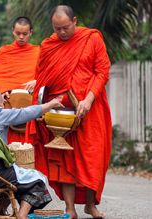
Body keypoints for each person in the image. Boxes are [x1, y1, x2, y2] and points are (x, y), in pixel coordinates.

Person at [28, 5, 111, 219]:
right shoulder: (49, 45)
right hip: (59, 113)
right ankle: (70, 209)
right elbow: (43, 77)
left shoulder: (92, 38)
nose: (62, 33)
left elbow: (102, 71)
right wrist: (41, 99)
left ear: (74, 21)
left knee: (93, 156)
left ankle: (90, 204)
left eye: (65, 27)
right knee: (63, 158)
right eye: (57, 29)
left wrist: (89, 99)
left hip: (90, 109)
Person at [0, 88, 63, 219]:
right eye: (2, 103)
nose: (4, 106)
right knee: (36, 180)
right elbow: (25, 113)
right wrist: (51, 104)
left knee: (11, 176)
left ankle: (0, 212)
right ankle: (22, 215)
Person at [0, 16, 40, 144]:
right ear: (13, 31)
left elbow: (46, 74)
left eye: (25, 34)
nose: (21, 37)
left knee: (29, 143)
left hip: (30, 101)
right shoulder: (4, 51)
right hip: (8, 101)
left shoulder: (37, 51)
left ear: (31, 32)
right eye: (18, 33)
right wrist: (3, 89)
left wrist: (37, 81)